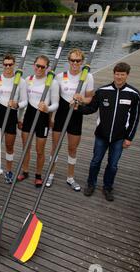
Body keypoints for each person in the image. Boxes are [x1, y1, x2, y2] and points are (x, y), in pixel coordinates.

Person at [74, 62, 140, 201]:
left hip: (119, 137)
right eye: (117, 74)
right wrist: (78, 108)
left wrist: (129, 138)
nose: (119, 77)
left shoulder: (134, 94)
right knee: (95, 161)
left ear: (127, 75)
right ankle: (91, 184)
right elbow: (91, 108)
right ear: (114, 74)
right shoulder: (102, 91)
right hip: (102, 135)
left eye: (122, 75)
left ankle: (107, 187)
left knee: (113, 165)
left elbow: (135, 118)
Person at [46, 48, 95, 191]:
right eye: (72, 60)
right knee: (55, 147)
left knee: (72, 148)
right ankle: (51, 174)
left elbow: (90, 99)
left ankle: (70, 177)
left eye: (78, 61)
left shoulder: (88, 77)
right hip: (60, 116)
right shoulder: (60, 76)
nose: (75, 63)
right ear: (68, 61)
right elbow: (53, 99)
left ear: (82, 62)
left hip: (76, 115)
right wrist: (50, 118)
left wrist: (82, 99)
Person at [17, 55, 59, 187]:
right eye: (37, 65)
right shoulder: (27, 80)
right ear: (33, 65)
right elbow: (23, 101)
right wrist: (19, 117)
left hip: (42, 118)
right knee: (26, 148)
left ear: (47, 68)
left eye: (43, 67)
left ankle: (38, 175)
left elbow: (56, 104)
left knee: (40, 150)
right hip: (28, 116)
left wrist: (47, 108)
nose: (39, 69)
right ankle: (25, 171)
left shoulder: (52, 82)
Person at [0, 53, 27, 184]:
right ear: (2, 65)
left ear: (14, 64)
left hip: (11, 118)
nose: (8, 67)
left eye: (10, 64)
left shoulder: (20, 81)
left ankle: (9, 171)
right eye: (5, 64)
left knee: (9, 146)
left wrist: (17, 104)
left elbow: (24, 102)